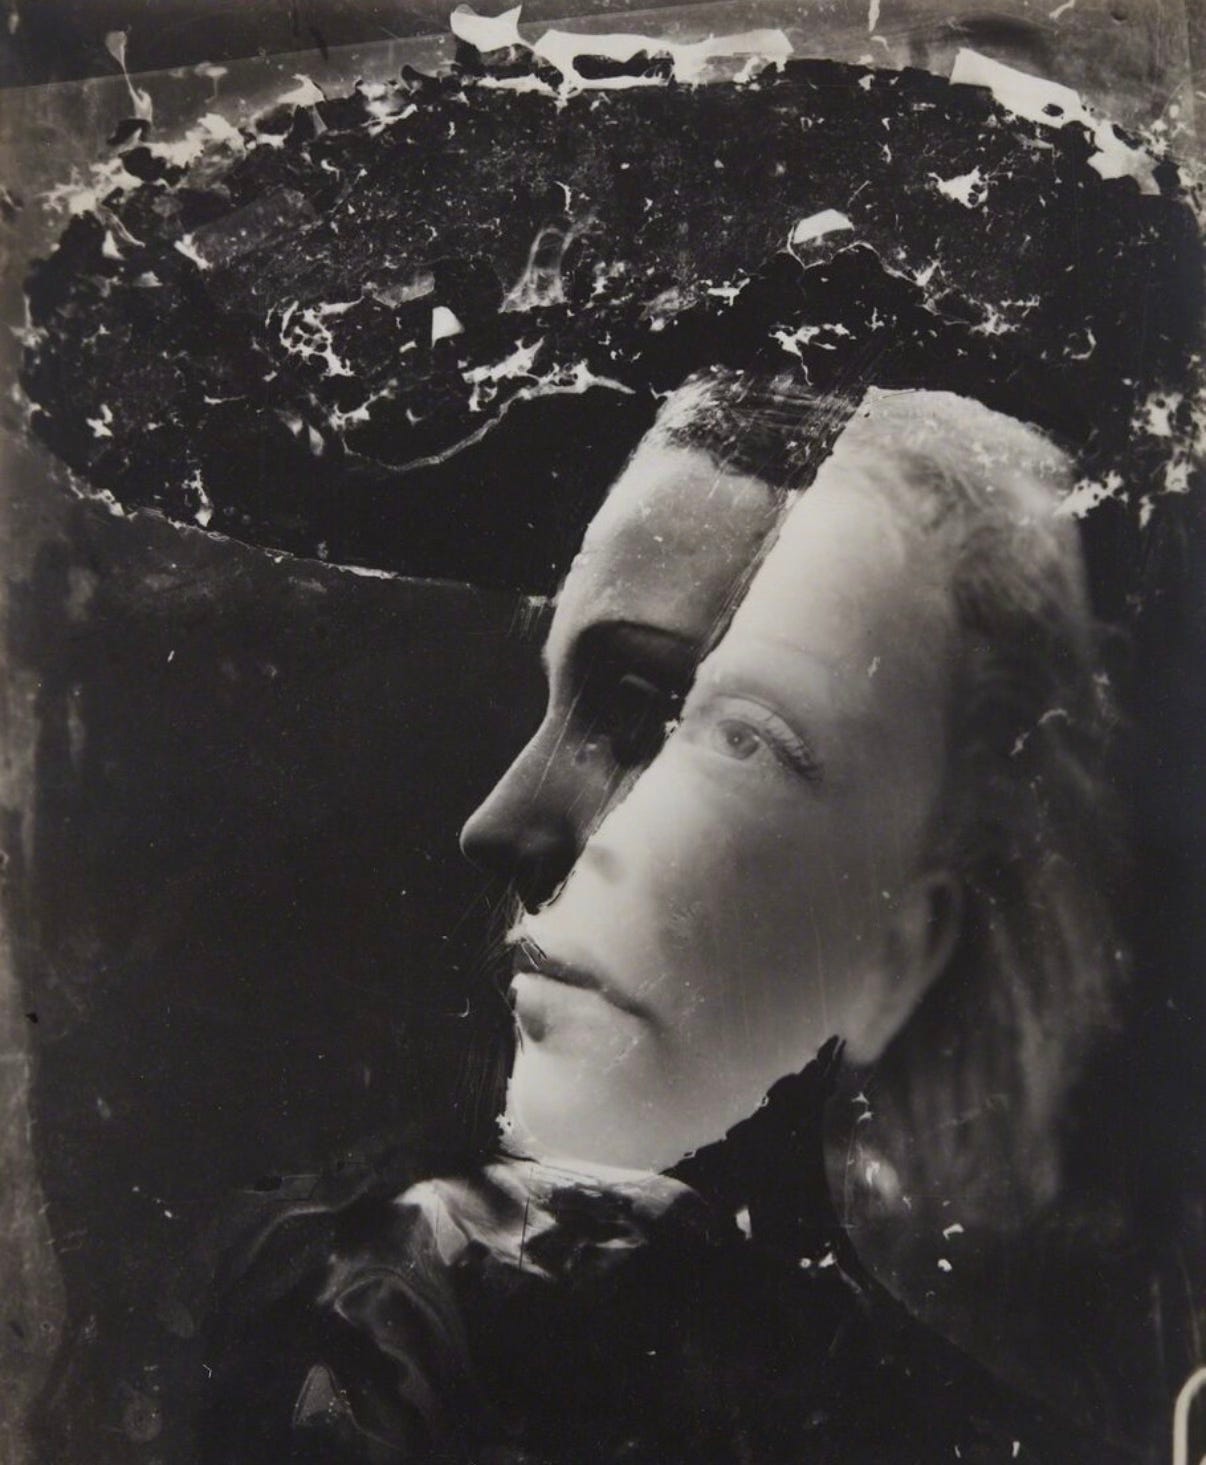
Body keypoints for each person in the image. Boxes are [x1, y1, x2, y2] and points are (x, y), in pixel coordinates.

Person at [198, 370, 1131, 1463]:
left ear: (909, 945)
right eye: (561, 699)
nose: (502, 822)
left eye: (724, 733)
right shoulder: (363, 1323)